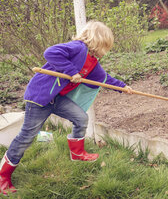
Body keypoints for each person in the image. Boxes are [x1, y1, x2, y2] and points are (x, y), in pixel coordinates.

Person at [0, 20, 132, 195]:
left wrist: (123, 87)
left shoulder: (93, 62)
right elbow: (51, 52)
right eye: (105, 46)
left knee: (80, 118)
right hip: (39, 98)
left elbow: (104, 79)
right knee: (27, 136)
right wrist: (72, 72)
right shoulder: (77, 47)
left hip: (57, 99)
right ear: (97, 41)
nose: (105, 51)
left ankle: (77, 153)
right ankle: (3, 175)